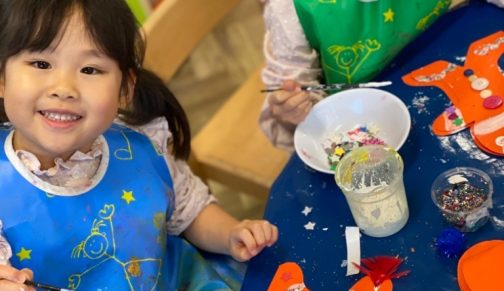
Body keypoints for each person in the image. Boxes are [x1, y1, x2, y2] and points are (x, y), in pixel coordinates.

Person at [0, 0, 278, 290]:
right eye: (41, 64)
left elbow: (188, 210)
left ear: (125, 89)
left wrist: (231, 234)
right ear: (2, 78)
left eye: (90, 69)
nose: (64, 89)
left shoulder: (141, 142)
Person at [259, 0, 504, 151]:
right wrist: (294, 107)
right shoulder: (289, 9)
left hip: (448, 71)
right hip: (368, 121)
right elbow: (295, 96)